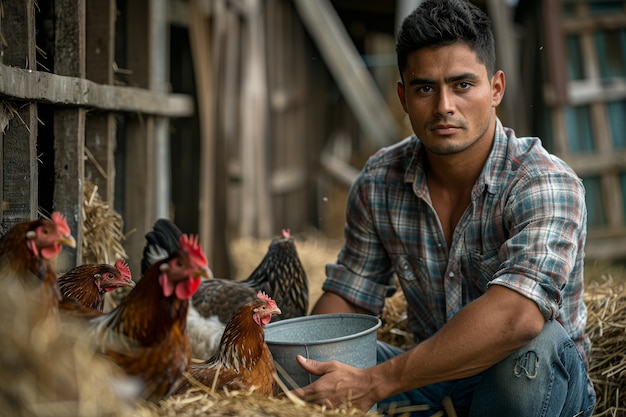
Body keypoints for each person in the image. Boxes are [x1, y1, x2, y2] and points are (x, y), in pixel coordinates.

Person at [293, 0, 596, 416]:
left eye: (462, 85)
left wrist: (378, 381)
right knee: (307, 374)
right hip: (434, 379)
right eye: (424, 88)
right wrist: (300, 357)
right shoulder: (380, 181)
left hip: (536, 382)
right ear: (402, 96)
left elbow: (518, 318)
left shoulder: (543, 181)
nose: (443, 107)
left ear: (496, 89)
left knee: (536, 347)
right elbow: (350, 297)